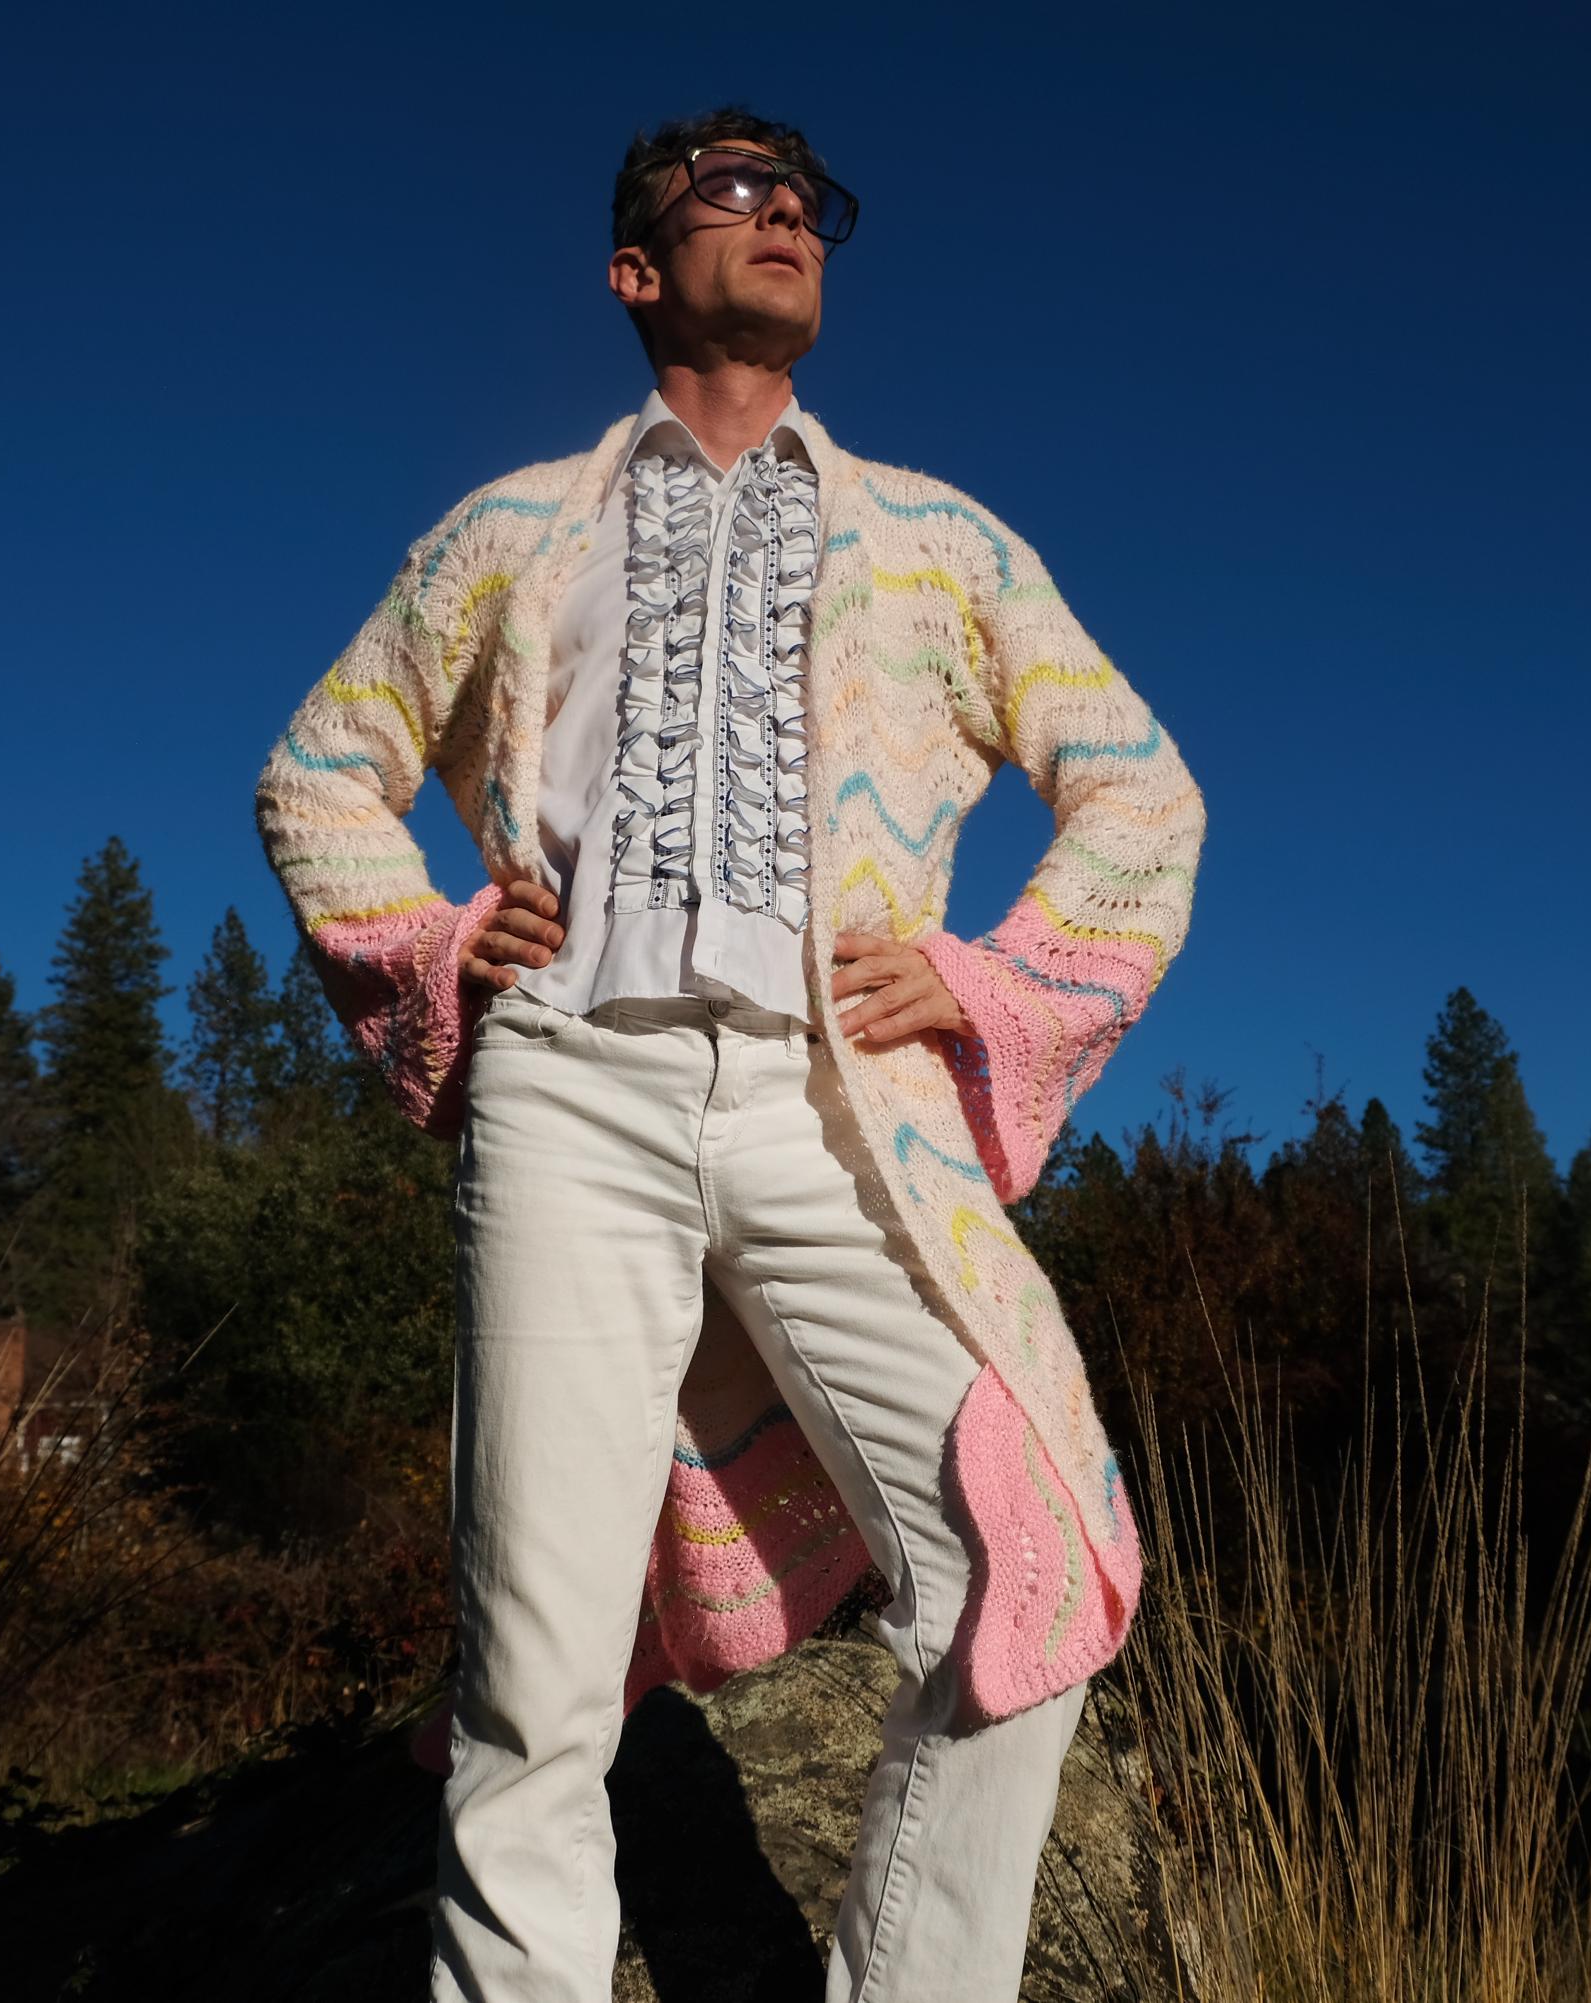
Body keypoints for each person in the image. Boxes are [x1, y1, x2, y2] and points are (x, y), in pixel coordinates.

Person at [254, 104, 1206, 2002]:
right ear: (634, 269)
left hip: (839, 1109)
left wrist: (994, 984)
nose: (787, 217)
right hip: (569, 1092)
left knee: (1029, 1548)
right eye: (734, 191)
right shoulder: (509, 530)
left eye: (808, 199)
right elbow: (319, 769)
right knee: (532, 1670)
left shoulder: (941, 541)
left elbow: (1140, 792)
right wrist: (440, 949)